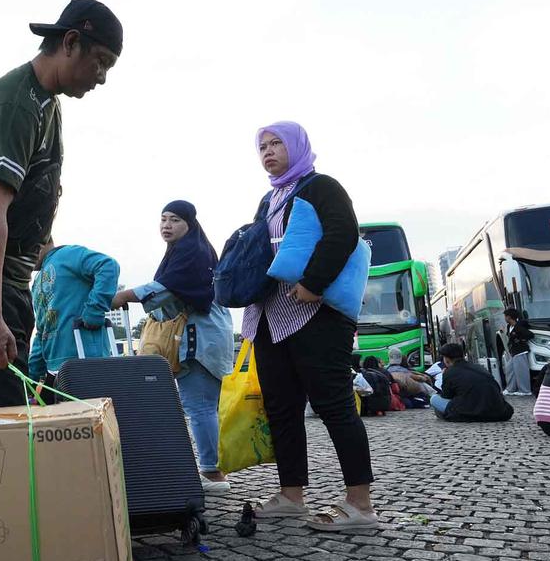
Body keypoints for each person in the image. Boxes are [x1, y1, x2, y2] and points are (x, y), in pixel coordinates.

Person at [0, 0, 122, 408]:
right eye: (100, 61)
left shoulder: (48, 105)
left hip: (6, 280)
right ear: (70, 42)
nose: (101, 77)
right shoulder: (14, 102)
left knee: (8, 410)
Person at [239, 122, 377, 531]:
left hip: (315, 315)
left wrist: (314, 283)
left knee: (334, 405)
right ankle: (291, 494)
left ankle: (360, 504)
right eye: (261, 146)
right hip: (269, 317)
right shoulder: (269, 199)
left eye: (276, 143)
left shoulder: (322, 187)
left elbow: (343, 234)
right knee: (281, 408)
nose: (268, 151)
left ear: (296, 146)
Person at [112, 201, 235, 494]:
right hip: (199, 337)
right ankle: (210, 468)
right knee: (201, 406)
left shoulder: (192, 254)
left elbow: (165, 290)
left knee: (200, 406)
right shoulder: (186, 253)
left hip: (199, 340)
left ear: (189, 224)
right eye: (163, 219)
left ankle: (213, 473)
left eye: (175, 220)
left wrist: (120, 296)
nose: (167, 225)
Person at [28, 238, 121, 395]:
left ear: (42, 239)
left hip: (84, 357)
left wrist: (94, 309)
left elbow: (107, 266)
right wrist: (33, 372)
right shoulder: (37, 281)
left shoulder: (68, 254)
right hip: (55, 366)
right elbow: (42, 327)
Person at [429, 343, 514, 422]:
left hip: (468, 411)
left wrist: (445, 377)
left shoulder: (449, 372)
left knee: (434, 399)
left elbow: (446, 396)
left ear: (446, 359)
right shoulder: (479, 367)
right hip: (497, 411)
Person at [503, 308, 533, 395]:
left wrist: (520, 339)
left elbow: (530, 335)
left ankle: (525, 390)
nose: (504, 318)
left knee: (521, 371)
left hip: (520, 350)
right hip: (514, 351)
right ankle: (511, 389)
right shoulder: (510, 326)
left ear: (509, 317)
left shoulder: (519, 326)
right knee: (510, 369)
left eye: (505, 316)